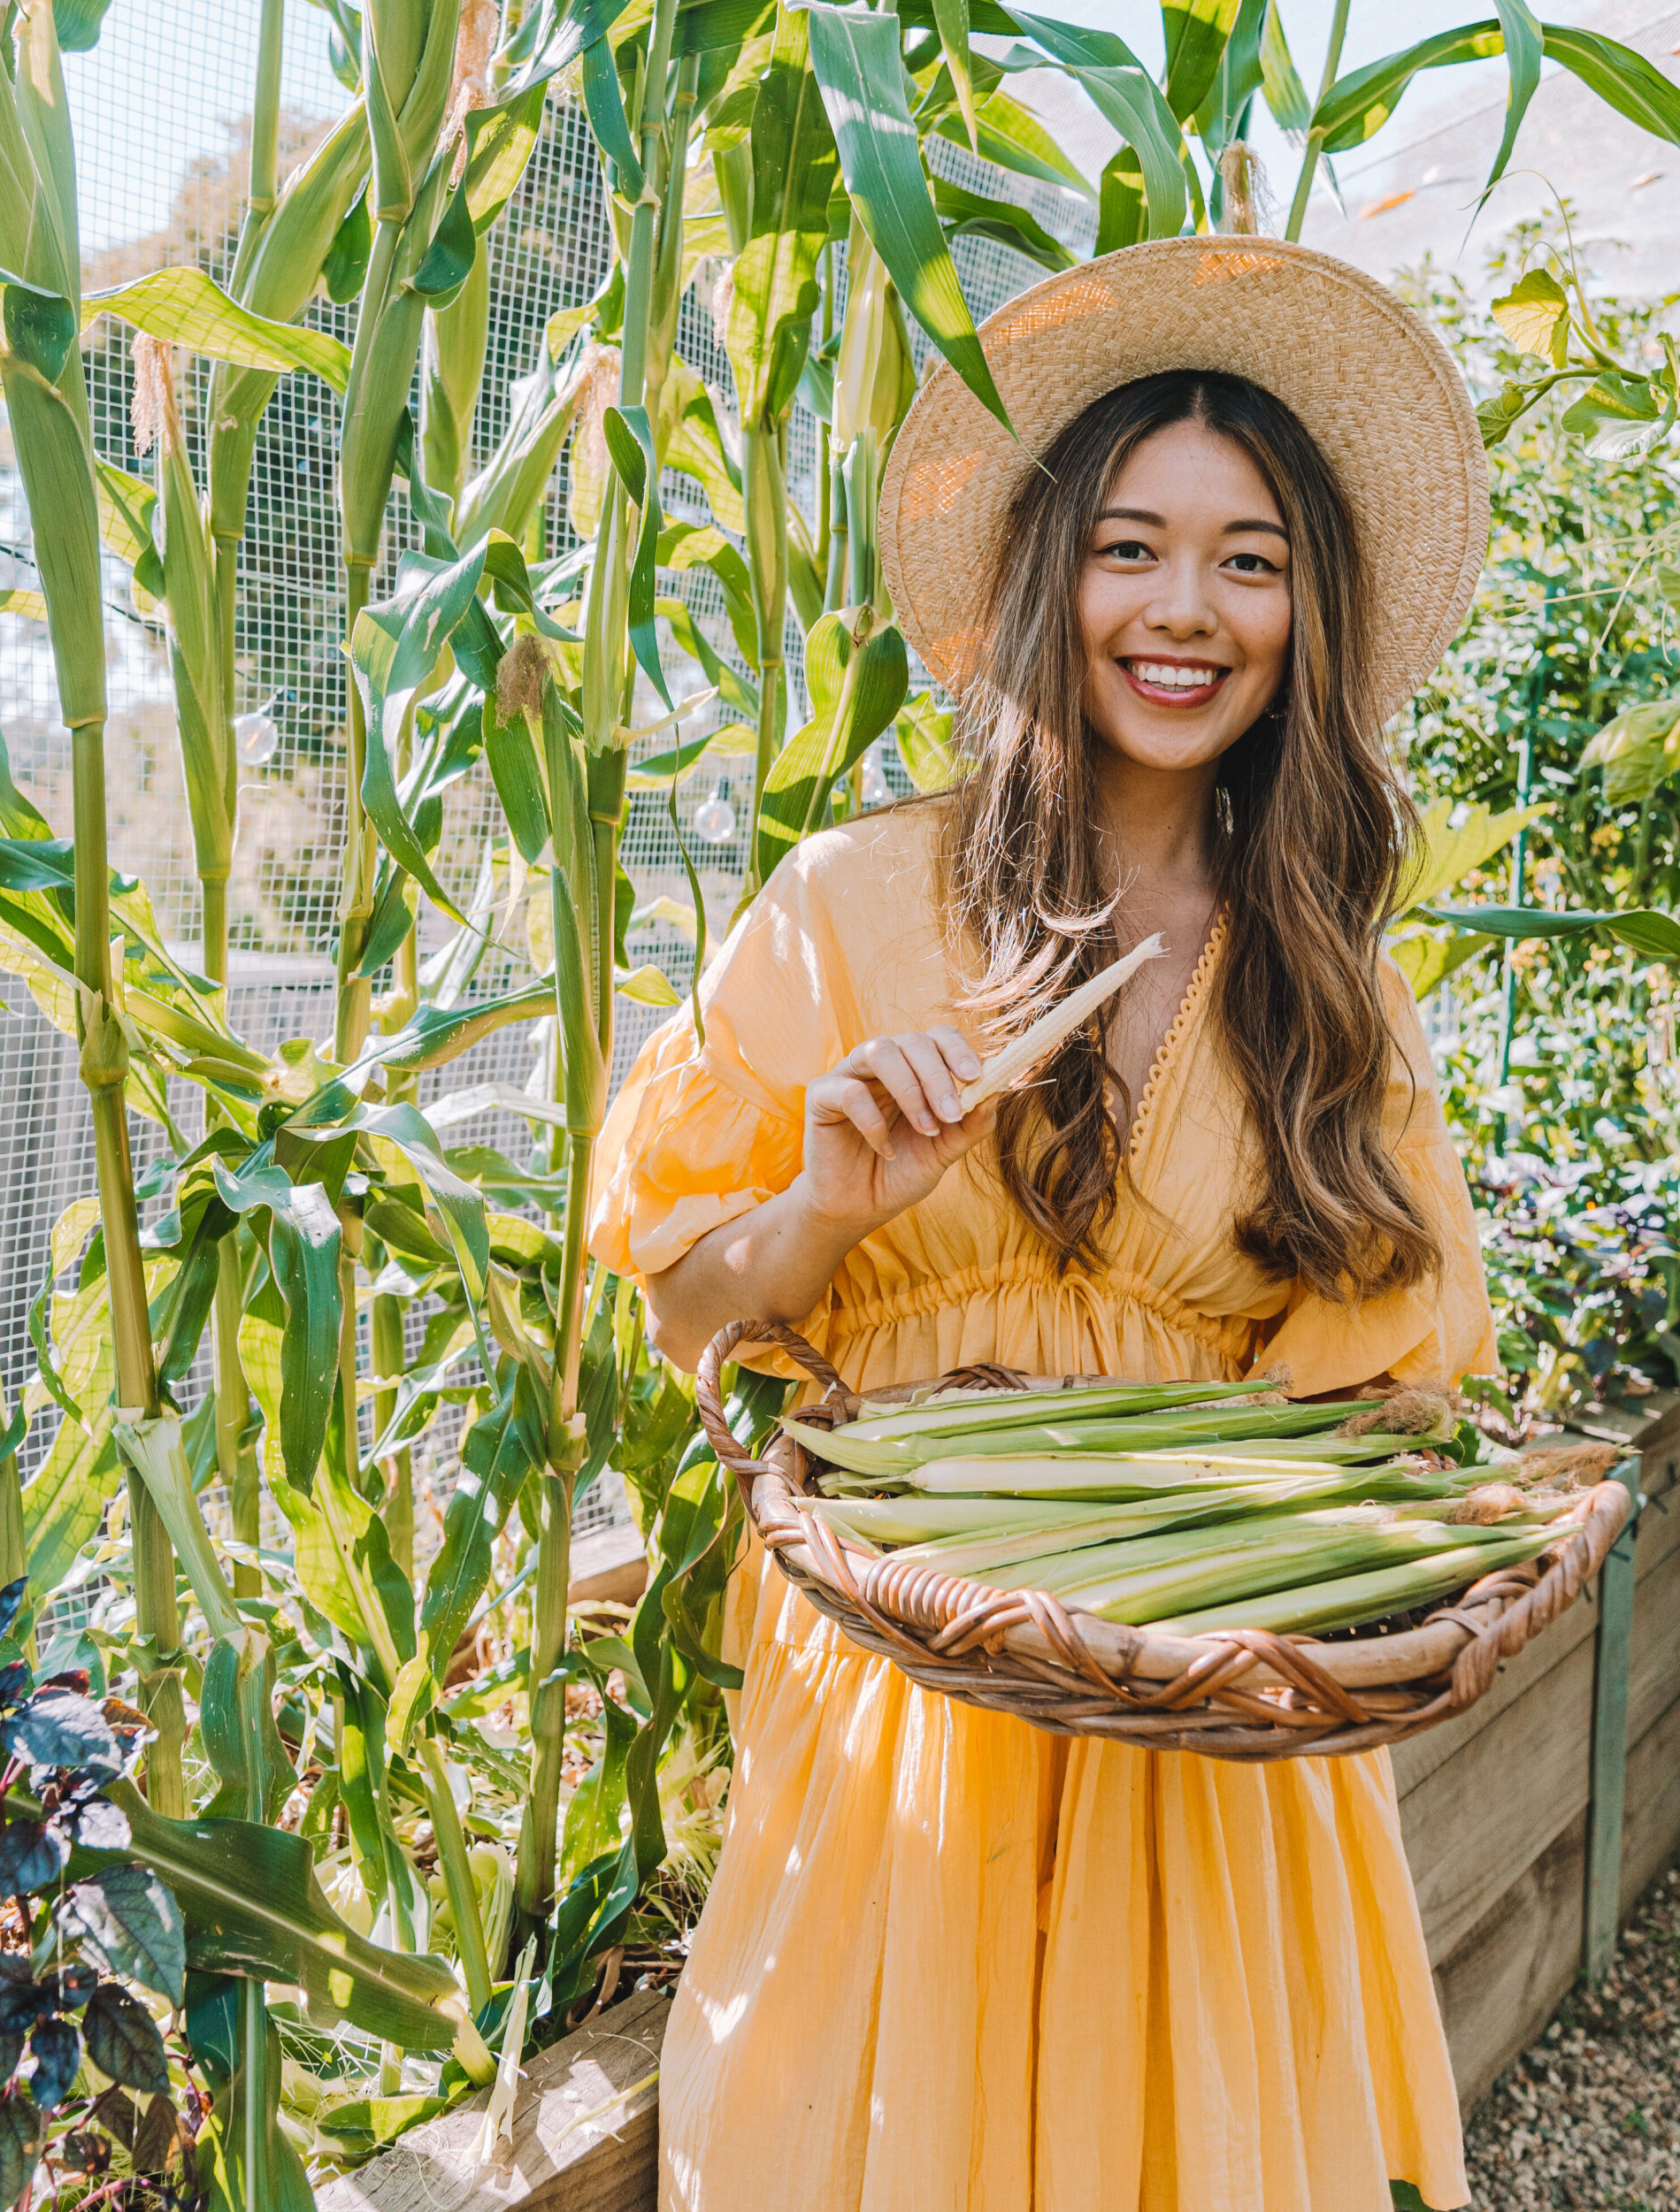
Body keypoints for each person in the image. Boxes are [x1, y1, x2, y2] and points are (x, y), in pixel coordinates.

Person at [589, 235, 1498, 2211]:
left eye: (1249, 558)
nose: (1188, 609)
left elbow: (1384, 1421)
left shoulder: (1328, 982)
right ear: (1046, 576)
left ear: (1306, 612)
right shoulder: (847, 905)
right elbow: (685, 1306)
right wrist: (826, 1204)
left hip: (1208, 1745)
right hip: (908, 1710)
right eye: (1130, 547)